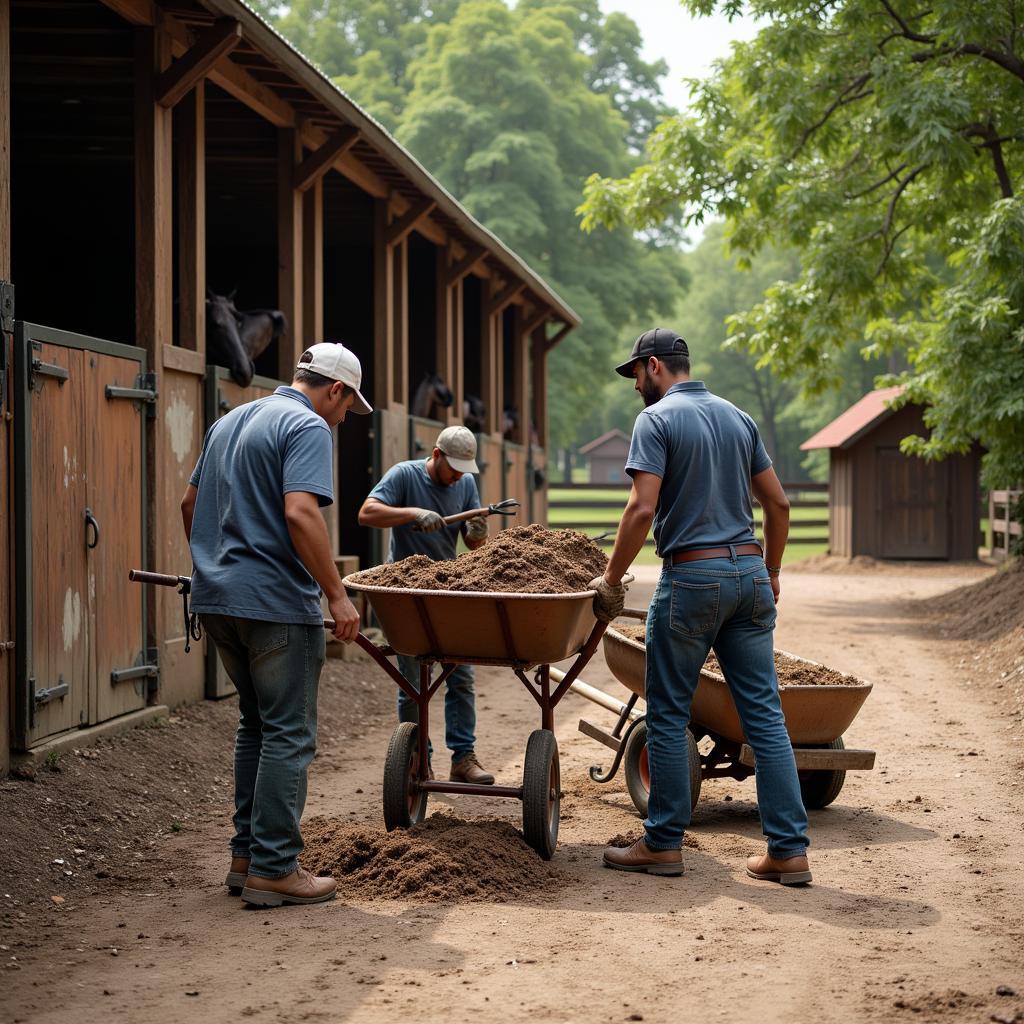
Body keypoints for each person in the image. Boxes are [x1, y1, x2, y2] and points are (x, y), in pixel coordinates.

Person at [594, 328, 811, 885]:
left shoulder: (657, 420)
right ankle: (788, 851)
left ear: (654, 366)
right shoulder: (739, 418)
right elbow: (779, 504)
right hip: (749, 575)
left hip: (693, 576)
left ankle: (663, 845)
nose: (635, 386)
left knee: (667, 714)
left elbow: (641, 510)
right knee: (765, 717)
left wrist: (611, 578)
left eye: (636, 374)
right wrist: (773, 571)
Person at [181, 343, 368, 907]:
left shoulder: (231, 420)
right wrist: (337, 596)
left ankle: (245, 857)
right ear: (333, 390)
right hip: (276, 604)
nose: (342, 420)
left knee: (255, 726)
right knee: (288, 732)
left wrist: (214, 564)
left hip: (217, 601)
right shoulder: (307, 426)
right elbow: (300, 512)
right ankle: (275, 866)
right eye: (346, 407)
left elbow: (190, 505)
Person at [358, 426, 494, 785]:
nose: (459, 477)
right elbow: (367, 513)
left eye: (465, 470)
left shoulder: (464, 484)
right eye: (453, 469)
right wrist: (412, 513)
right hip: (406, 592)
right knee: (413, 682)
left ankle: (463, 757)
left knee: (460, 676)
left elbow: (474, 545)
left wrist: (477, 532)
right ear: (435, 456)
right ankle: (419, 758)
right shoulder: (404, 475)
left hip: (445, 591)